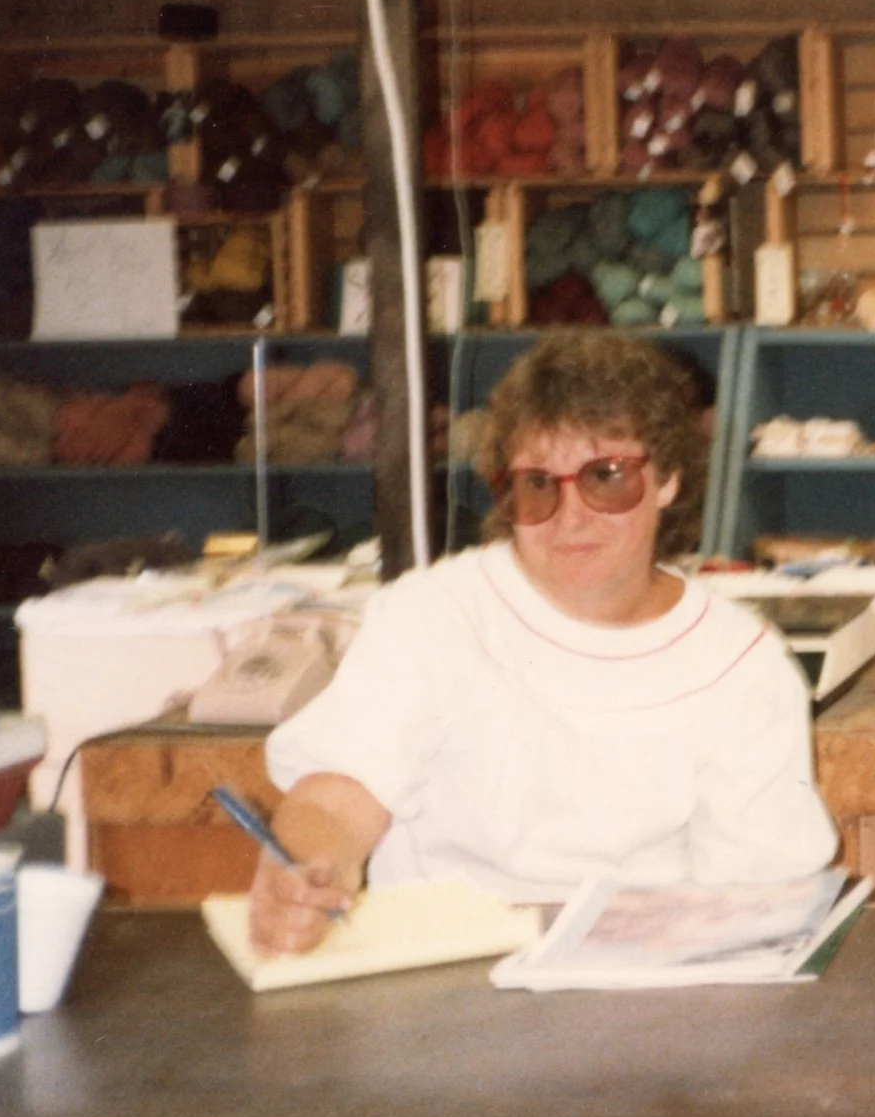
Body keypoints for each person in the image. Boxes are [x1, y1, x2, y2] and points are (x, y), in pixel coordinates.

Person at [249, 331, 836, 955]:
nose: (570, 515)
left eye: (607, 478)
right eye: (538, 484)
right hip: (442, 989)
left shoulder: (738, 663)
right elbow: (338, 799)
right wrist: (308, 867)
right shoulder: (435, 616)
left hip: (645, 1004)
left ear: (667, 479)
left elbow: (762, 898)